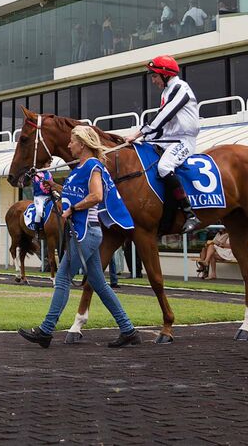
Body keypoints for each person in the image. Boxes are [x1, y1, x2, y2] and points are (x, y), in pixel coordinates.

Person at [19, 124, 138, 349]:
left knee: (63, 278)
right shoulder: (81, 168)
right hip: (85, 232)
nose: (69, 145)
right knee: (99, 284)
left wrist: (72, 209)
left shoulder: (92, 165)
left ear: (82, 144)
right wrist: (54, 185)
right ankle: (128, 330)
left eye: (72, 142)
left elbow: (96, 195)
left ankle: (46, 330)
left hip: (86, 232)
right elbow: (77, 193)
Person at [124, 55, 201, 234]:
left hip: (183, 140)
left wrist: (139, 132)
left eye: (155, 76)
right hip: (168, 140)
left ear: (165, 75)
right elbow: (164, 123)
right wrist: (144, 139)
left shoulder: (181, 88)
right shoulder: (166, 91)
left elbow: (164, 115)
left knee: (165, 167)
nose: (153, 80)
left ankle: (190, 214)